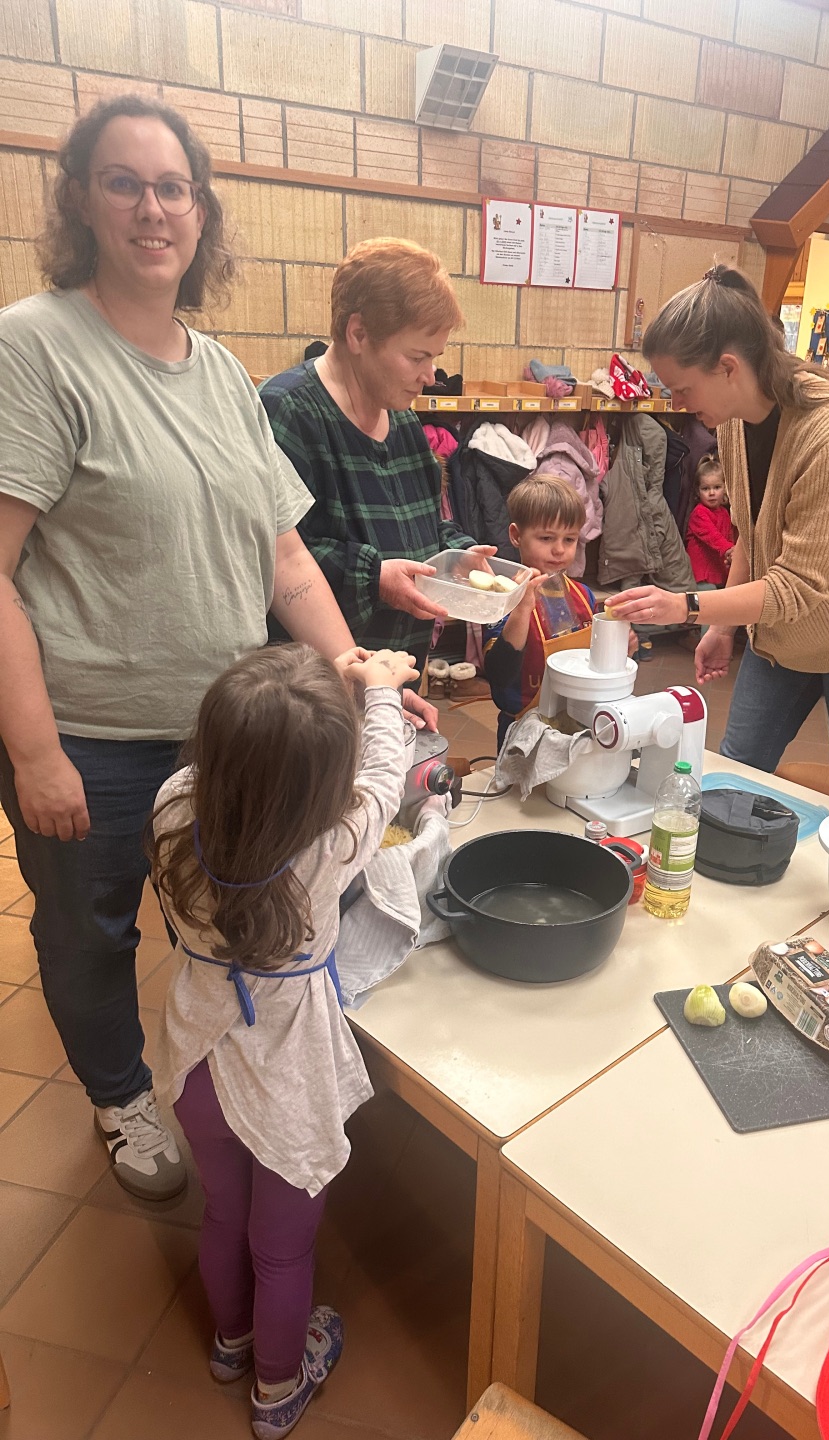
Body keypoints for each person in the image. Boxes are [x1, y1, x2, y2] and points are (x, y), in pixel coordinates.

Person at [0, 96, 366, 1201]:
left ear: (201, 212)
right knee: (91, 931)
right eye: (125, 182)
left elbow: (284, 561)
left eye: (174, 187)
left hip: (223, 731)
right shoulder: (35, 347)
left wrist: (357, 680)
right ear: (81, 200)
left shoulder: (219, 371)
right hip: (93, 737)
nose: (153, 207)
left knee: (226, 920)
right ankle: (121, 1098)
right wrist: (34, 753)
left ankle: (222, 1079)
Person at [150, 641, 416, 1439]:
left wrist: (305, 707)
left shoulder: (171, 808)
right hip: (286, 1074)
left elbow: (255, 769)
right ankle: (277, 1389)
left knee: (223, 1213)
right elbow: (385, 773)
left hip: (197, 1057)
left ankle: (231, 1342)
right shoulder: (333, 842)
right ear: (322, 787)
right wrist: (378, 689)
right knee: (283, 1251)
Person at [610, 265, 829, 787]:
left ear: (729, 367)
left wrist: (688, 606)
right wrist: (722, 626)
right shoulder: (735, 418)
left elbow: (801, 584)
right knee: (737, 765)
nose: (678, 404)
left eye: (683, 388)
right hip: (789, 633)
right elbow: (750, 536)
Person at [259, 238, 496, 719]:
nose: (431, 374)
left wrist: (457, 555)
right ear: (359, 334)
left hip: (394, 676)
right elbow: (276, 557)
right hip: (313, 697)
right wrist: (374, 578)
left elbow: (424, 526)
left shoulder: (403, 420)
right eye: (416, 357)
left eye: (435, 356)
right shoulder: (288, 412)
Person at [482, 476, 597, 749]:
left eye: (569, 539)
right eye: (546, 538)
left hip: (575, 723)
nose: (559, 549)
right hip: (521, 730)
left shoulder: (584, 596)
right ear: (516, 535)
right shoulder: (501, 599)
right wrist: (522, 609)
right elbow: (499, 674)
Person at [686, 453, 736, 586]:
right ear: (698, 491)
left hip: (720, 571)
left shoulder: (725, 513)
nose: (711, 493)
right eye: (705, 488)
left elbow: (729, 536)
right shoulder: (699, 513)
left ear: (725, 489)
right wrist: (730, 550)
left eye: (717, 487)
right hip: (703, 574)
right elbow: (712, 536)